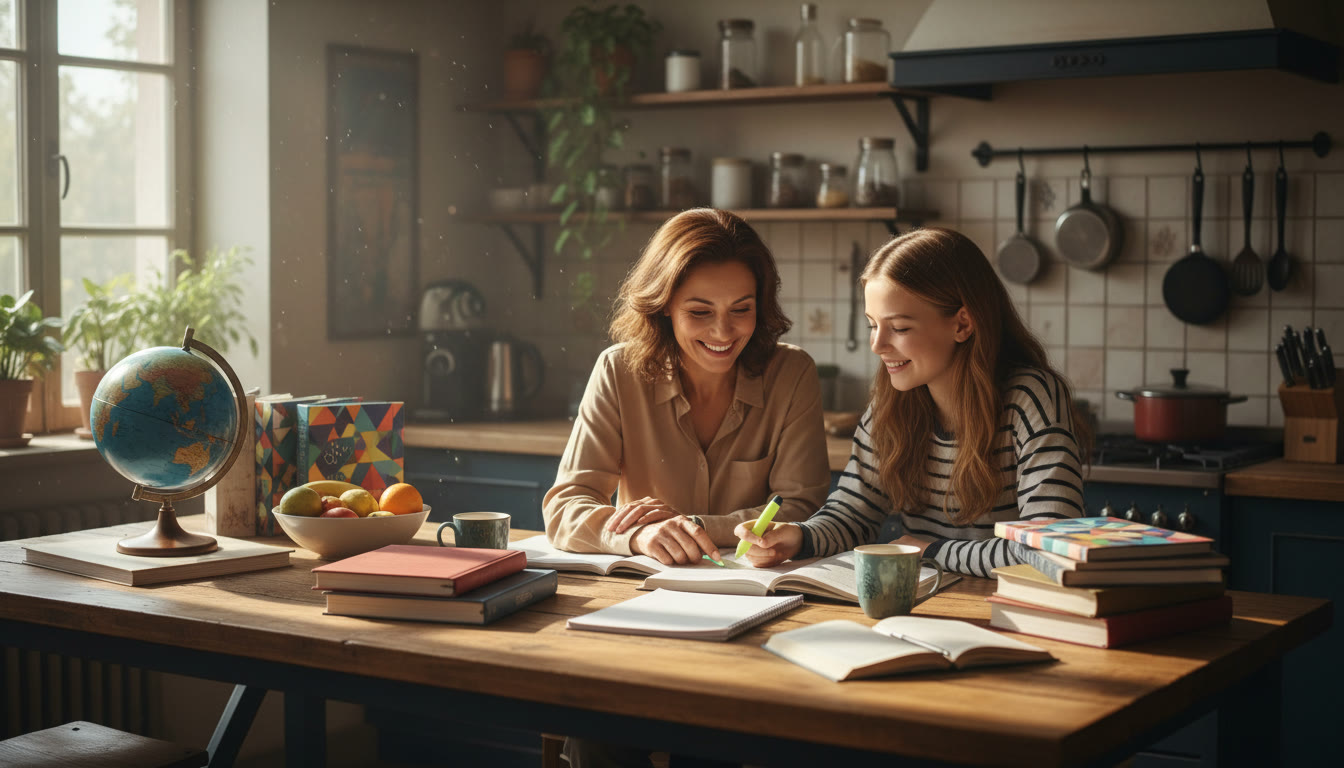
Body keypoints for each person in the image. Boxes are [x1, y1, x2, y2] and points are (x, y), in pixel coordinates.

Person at [735, 227, 1089, 578]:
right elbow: (852, 515)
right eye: (873, 325)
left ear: (963, 324)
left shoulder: (1030, 399)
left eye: (899, 328)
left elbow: (1050, 546)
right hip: (928, 603)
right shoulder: (893, 404)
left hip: (1013, 612)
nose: (878, 345)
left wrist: (933, 552)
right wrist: (798, 537)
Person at [543, 207, 831, 568]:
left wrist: (693, 527)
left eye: (741, 309)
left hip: (758, 585)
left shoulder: (792, 373)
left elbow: (802, 508)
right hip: (642, 590)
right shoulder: (618, 370)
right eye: (700, 312)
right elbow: (565, 506)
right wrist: (639, 535)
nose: (723, 333)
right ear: (664, 305)